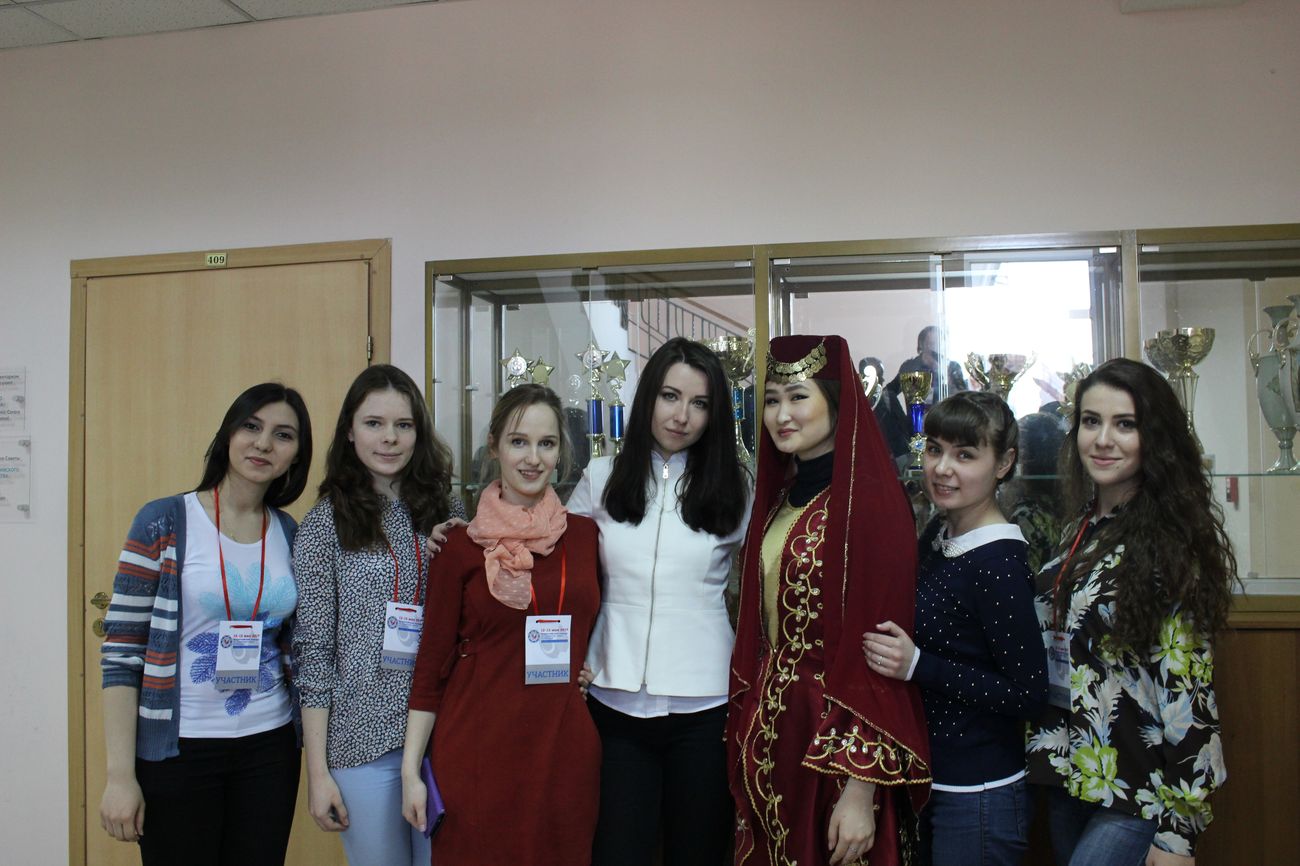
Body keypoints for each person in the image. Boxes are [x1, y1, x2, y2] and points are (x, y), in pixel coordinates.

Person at [728, 334, 931, 866]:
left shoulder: (871, 505)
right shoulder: (780, 501)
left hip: (834, 742)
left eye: (799, 397)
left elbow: (880, 651)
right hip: (773, 728)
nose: (781, 415)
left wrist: (862, 786)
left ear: (837, 404)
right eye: (772, 400)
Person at [1026, 358, 1236, 866]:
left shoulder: (1169, 541)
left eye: (1125, 424)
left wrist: (1178, 833)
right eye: (1091, 421)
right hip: (1070, 774)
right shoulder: (1081, 526)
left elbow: (1189, 689)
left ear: (1153, 437)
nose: (1103, 440)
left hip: (1139, 789)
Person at [99, 382, 313, 866]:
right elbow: (121, 654)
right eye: (251, 426)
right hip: (179, 750)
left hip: (270, 745)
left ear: (296, 456)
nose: (263, 444)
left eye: (283, 435)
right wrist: (119, 775)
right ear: (228, 435)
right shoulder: (163, 521)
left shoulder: (289, 532)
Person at [567, 337, 752, 866]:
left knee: (699, 852)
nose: (681, 416)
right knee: (616, 851)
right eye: (670, 396)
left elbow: (772, 573)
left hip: (706, 706)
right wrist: (470, 534)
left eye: (699, 403)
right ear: (648, 396)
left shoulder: (736, 485)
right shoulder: (601, 477)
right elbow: (553, 558)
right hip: (613, 700)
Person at [401, 384, 601, 866]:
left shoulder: (586, 537)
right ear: (493, 446)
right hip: (478, 750)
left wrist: (592, 665)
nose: (532, 458)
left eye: (546, 443)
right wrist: (410, 771)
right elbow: (430, 670)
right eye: (518, 442)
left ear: (561, 451)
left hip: (563, 751)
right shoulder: (458, 547)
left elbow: (609, 619)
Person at [863, 391, 1046, 866]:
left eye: (965, 455)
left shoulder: (998, 563)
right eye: (934, 450)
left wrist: (919, 665)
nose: (942, 469)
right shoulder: (941, 535)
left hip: (979, 793)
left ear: (1004, 463)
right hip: (933, 777)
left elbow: (1028, 693)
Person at [292, 364, 463, 866]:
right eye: (374, 423)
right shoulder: (324, 524)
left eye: (403, 425)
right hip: (362, 739)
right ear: (350, 430)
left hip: (444, 732)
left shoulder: (448, 509)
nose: (389, 438)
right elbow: (315, 653)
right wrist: (317, 773)